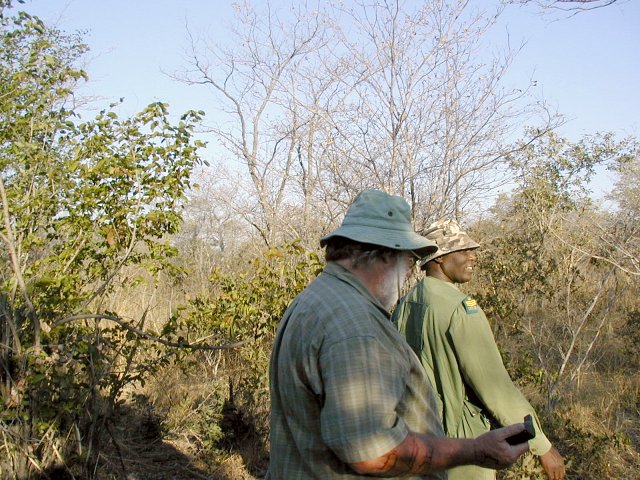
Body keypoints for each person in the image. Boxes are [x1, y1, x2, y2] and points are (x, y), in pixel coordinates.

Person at [266, 190, 531, 479]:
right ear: (382, 253)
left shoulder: (316, 299)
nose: (409, 272)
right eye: (408, 259)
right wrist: (475, 451)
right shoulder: (355, 326)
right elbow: (374, 454)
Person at [392, 218, 566, 480]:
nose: (472, 257)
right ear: (438, 258)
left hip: (415, 438)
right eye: (463, 251)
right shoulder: (461, 309)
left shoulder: (406, 304)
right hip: (462, 446)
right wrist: (541, 444)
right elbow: (495, 389)